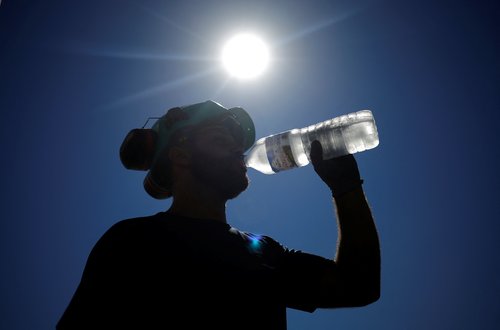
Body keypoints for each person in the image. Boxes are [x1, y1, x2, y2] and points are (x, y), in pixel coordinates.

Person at [57, 100, 380, 330]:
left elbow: (357, 286)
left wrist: (347, 188)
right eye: (220, 139)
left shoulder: (265, 252)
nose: (236, 152)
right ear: (181, 156)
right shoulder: (133, 240)